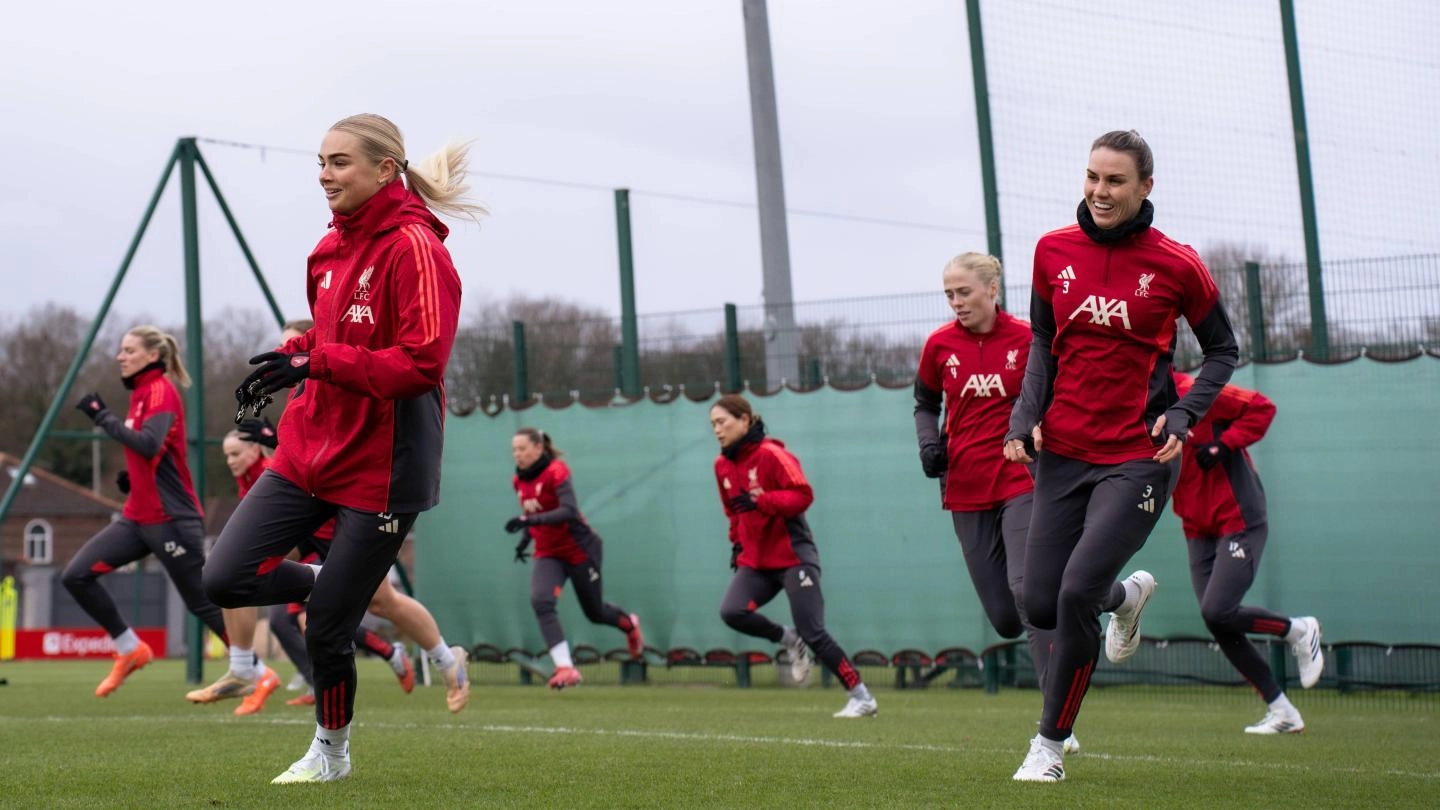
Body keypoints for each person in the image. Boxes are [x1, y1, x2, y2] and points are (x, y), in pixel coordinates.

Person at [203, 113, 482, 784]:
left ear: (385, 170)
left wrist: (317, 361)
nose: (325, 175)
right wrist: (296, 354)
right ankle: (333, 583)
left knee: (328, 624)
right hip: (307, 451)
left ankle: (330, 753)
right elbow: (333, 340)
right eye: (321, 163)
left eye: (339, 162)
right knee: (223, 579)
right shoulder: (328, 250)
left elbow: (421, 363)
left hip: (383, 466)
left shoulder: (417, 248)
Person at [1003, 130, 1239, 782]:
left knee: (1075, 594)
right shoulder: (1052, 250)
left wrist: (1185, 413)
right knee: (1042, 604)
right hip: (1062, 453)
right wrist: (1024, 418)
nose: (1100, 192)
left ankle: (1049, 747)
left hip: (1139, 456)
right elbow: (1043, 343)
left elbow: (1222, 350)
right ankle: (1126, 597)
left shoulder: (1178, 264)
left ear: (1145, 187)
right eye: (1092, 177)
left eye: (1114, 181)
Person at [250, 319, 462, 709]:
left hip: (347, 507)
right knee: (272, 597)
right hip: (312, 514)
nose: (288, 353)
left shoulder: (335, 369)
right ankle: (307, 677)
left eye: (294, 346)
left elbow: (339, 434)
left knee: (381, 601)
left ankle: (446, 662)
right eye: (284, 347)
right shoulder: (297, 386)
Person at [913, 252, 1076, 753]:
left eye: (963, 292)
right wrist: (928, 443)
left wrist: (1039, 431)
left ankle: (1057, 722)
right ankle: (1091, 601)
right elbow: (925, 403)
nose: (956, 302)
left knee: (1029, 594)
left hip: (1021, 479)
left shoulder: (1027, 339)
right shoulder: (939, 345)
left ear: (992, 289)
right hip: (965, 489)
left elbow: (1054, 395)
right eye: (949, 294)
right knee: (1006, 617)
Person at [63, 325, 230, 697]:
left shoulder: (160, 390)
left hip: (171, 518)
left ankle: (253, 670)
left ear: (152, 355)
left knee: (202, 602)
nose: (120, 357)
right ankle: (130, 649)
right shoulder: (140, 392)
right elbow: (151, 453)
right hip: (137, 516)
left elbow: (150, 444)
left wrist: (102, 417)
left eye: (128, 350)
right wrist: (134, 481)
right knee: (76, 576)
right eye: (120, 350)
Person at [210, 426, 415, 711]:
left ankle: (428, 654)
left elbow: (300, 515)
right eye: (227, 455)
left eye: (235, 453)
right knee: (279, 616)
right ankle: (305, 680)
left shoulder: (272, 472)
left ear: (254, 450)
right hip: (310, 548)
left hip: (329, 545)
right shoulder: (249, 479)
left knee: (350, 609)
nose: (230, 461)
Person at [1170, 371, 1322, 734]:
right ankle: (1283, 711)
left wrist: (1225, 444)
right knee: (1217, 619)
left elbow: (1262, 407)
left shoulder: (1194, 391)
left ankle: (1298, 630)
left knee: (1217, 610)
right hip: (1196, 526)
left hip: (1240, 518)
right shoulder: (1134, 407)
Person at [709, 394, 878, 718]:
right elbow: (733, 513)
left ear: (744, 420)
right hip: (755, 561)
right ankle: (788, 639)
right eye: (713, 424)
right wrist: (737, 544)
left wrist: (762, 501)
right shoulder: (722, 466)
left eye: (722, 422)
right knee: (731, 611)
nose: (717, 430)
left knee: (813, 631)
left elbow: (803, 495)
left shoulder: (772, 454)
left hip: (793, 557)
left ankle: (862, 697)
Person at [505, 428, 645, 689]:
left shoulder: (556, 471)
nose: (517, 454)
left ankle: (629, 625)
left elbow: (568, 511)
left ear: (539, 448)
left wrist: (528, 521)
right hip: (548, 553)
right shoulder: (518, 481)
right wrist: (524, 540)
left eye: (522, 448)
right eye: (514, 449)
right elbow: (533, 515)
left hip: (580, 550)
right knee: (541, 601)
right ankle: (565, 667)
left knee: (594, 612)